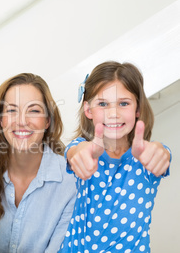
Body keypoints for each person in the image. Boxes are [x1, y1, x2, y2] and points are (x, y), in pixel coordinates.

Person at [59, 61, 172, 252]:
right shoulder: (81, 148)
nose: (113, 113)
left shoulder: (148, 156)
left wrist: (161, 153)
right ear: (88, 110)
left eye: (123, 103)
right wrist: (80, 155)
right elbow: (75, 153)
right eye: (103, 104)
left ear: (137, 109)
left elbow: (161, 153)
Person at [0, 73, 77, 252]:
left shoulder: (71, 182)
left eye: (33, 110)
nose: (22, 121)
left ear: (47, 121)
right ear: (1, 120)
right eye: (11, 110)